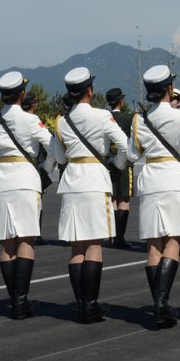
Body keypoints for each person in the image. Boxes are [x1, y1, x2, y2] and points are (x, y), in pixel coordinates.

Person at [50, 66, 130, 323]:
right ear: (89, 91)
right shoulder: (102, 116)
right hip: (95, 180)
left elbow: (59, 156)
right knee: (94, 244)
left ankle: (81, 303)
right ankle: (91, 304)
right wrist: (117, 163)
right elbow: (124, 147)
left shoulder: (62, 121)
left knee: (77, 246)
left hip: (72, 180)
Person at [131, 65, 180, 327]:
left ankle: (159, 304)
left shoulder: (140, 120)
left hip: (151, 179)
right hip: (175, 179)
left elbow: (132, 153)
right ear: (168, 89)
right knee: (173, 240)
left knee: (154, 244)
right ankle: (161, 303)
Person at [0, 71, 54, 319]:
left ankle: (14, 298)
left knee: (7, 243)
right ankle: (22, 301)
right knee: (25, 241)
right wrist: (47, 168)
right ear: (21, 94)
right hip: (25, 178)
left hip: (3, 179)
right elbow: (52, 145)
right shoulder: (31, 120)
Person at [104, 87, 136, 250]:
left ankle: (111, 236)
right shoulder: (129, 118)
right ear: (120, 102)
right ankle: (120, 237)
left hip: (107, 162)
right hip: (124, 163)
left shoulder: (104, 118)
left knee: (112, 199)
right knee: (123, 200)